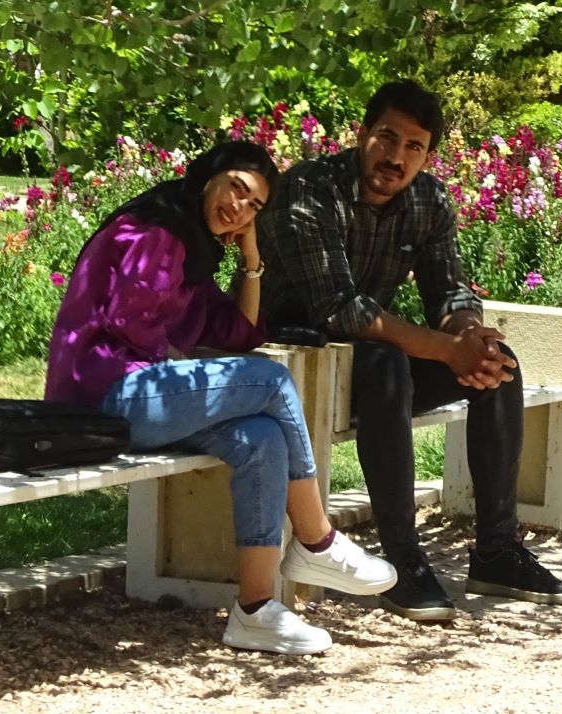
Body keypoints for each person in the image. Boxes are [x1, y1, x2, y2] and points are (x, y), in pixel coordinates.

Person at [45, 136, 397, 655]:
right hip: (102, 392)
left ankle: (254, 611)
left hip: (140, 394)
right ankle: (316, 539)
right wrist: (204, 374)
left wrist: (251, 259)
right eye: (236, 189)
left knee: (260, 437)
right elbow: (129, 322)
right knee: (272, 382)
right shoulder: (156, 229)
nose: (238, 209)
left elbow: (240, 332)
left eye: (254, 206)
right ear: (209, 175)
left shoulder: (192, 247)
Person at [256, 79, 562, 621]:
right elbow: (341, 309)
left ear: (428, 154)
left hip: (369, 358)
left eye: (414, 147)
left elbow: (449, 290)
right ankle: (403, 562)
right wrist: (444, 349)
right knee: (385, 366)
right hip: (294, 361)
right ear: (361, 135)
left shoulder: (427, 198)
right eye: (386, 137)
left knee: (500, 365)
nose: (396, 157)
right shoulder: (309, 191)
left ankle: (497, 550)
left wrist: (470, 336)